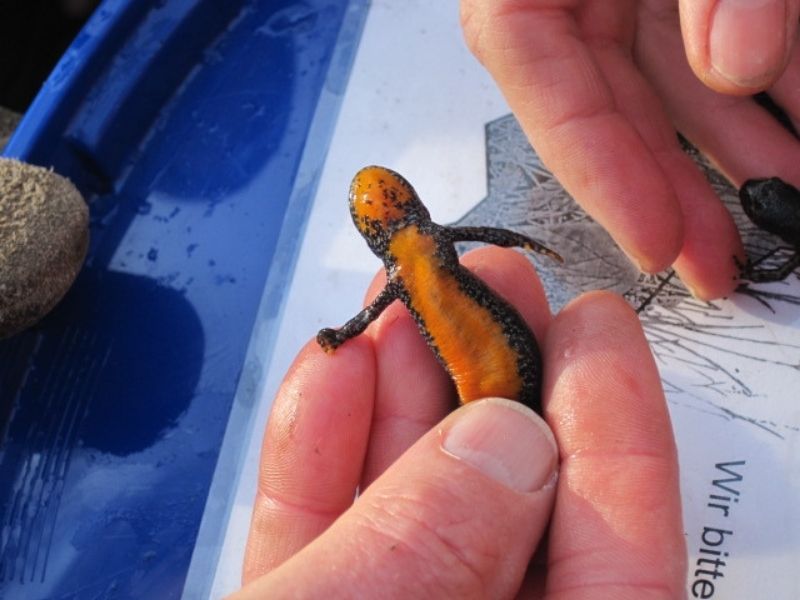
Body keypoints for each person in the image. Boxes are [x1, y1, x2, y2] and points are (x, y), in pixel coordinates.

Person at [232, 2, 798, 597]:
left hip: (492, 372)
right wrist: (347, 333)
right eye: (387, 213)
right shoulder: (414, 262)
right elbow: (397, 300)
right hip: (483, 378)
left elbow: (454, 264)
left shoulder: (417, 257)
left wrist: (347, 333)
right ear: (387, 230)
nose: (395, 214)